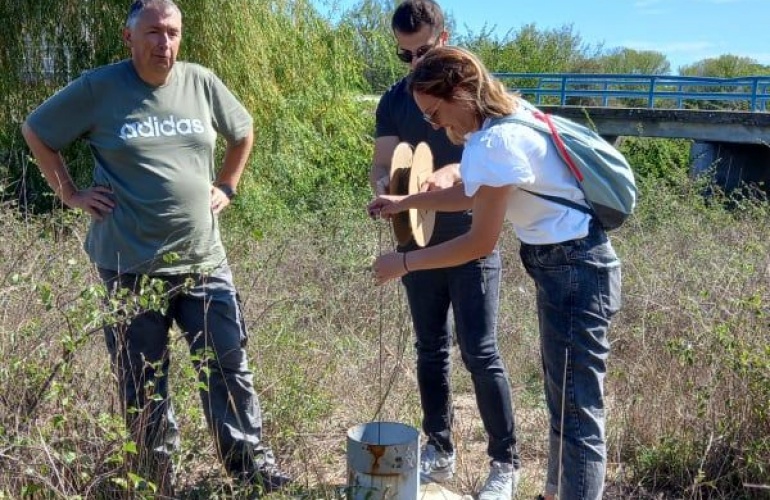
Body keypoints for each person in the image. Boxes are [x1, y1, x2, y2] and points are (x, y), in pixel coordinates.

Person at [21, 0, 289, 494]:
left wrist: (227, 185)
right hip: (128, 264)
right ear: (129, 37)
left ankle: (251, 472)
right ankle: (154, 478)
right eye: (153, 32)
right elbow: (36, 131)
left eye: (172, 32)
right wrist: (71, 194)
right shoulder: (99, 88)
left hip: (202, 261)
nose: (163, 43)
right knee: (142, 380)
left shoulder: (200, 81)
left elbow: (243, 131)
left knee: (228, 368)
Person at [368, 45, 622, 500]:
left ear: (461, 91)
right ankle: (553, 492)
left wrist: (402, 263)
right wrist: (406, 202)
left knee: (578, 413)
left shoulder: (495, 141)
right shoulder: (509, 120)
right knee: (564, 401)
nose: (434, 126)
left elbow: (478, 242)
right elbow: (471, 193)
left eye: (436, 112)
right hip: (567, 266)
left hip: (574, 270)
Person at [369, 1, 521, 498]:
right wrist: (390, 190)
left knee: (480, 351)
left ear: (445, 37)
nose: (414, 64)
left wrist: (452, 174)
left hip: (473, 236)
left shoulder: (471, 92)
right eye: (404, 55)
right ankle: (440, 448)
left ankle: (504, 463)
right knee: (430, 349)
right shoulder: (395, 101)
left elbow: (484, 155)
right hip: (417, 236)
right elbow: (384, 164)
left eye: (424, 51)